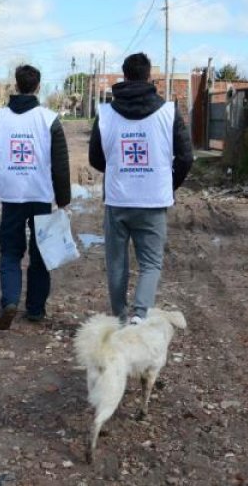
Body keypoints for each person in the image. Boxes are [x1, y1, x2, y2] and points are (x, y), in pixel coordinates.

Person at [88, 52, 193, 324]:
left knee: (116, 263)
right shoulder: (169, 112)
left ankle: (121, 318)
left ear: (124, 76)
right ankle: (140, 314)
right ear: (149, 76)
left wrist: (119, 171)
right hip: (153, 201)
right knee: (151, 262)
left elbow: (95, 159)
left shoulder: (106, 114)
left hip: (118, 199)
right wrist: (168, 186)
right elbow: (186, 157)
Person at [0, 65, 71, 330]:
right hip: (40, 196)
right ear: (38, 87)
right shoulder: (49, 119)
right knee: (40, 253)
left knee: (10, 251)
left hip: (11, 197)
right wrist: (63, 198)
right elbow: (60, 163)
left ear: (15, 86)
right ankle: (36, 310)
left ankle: (10, 300)